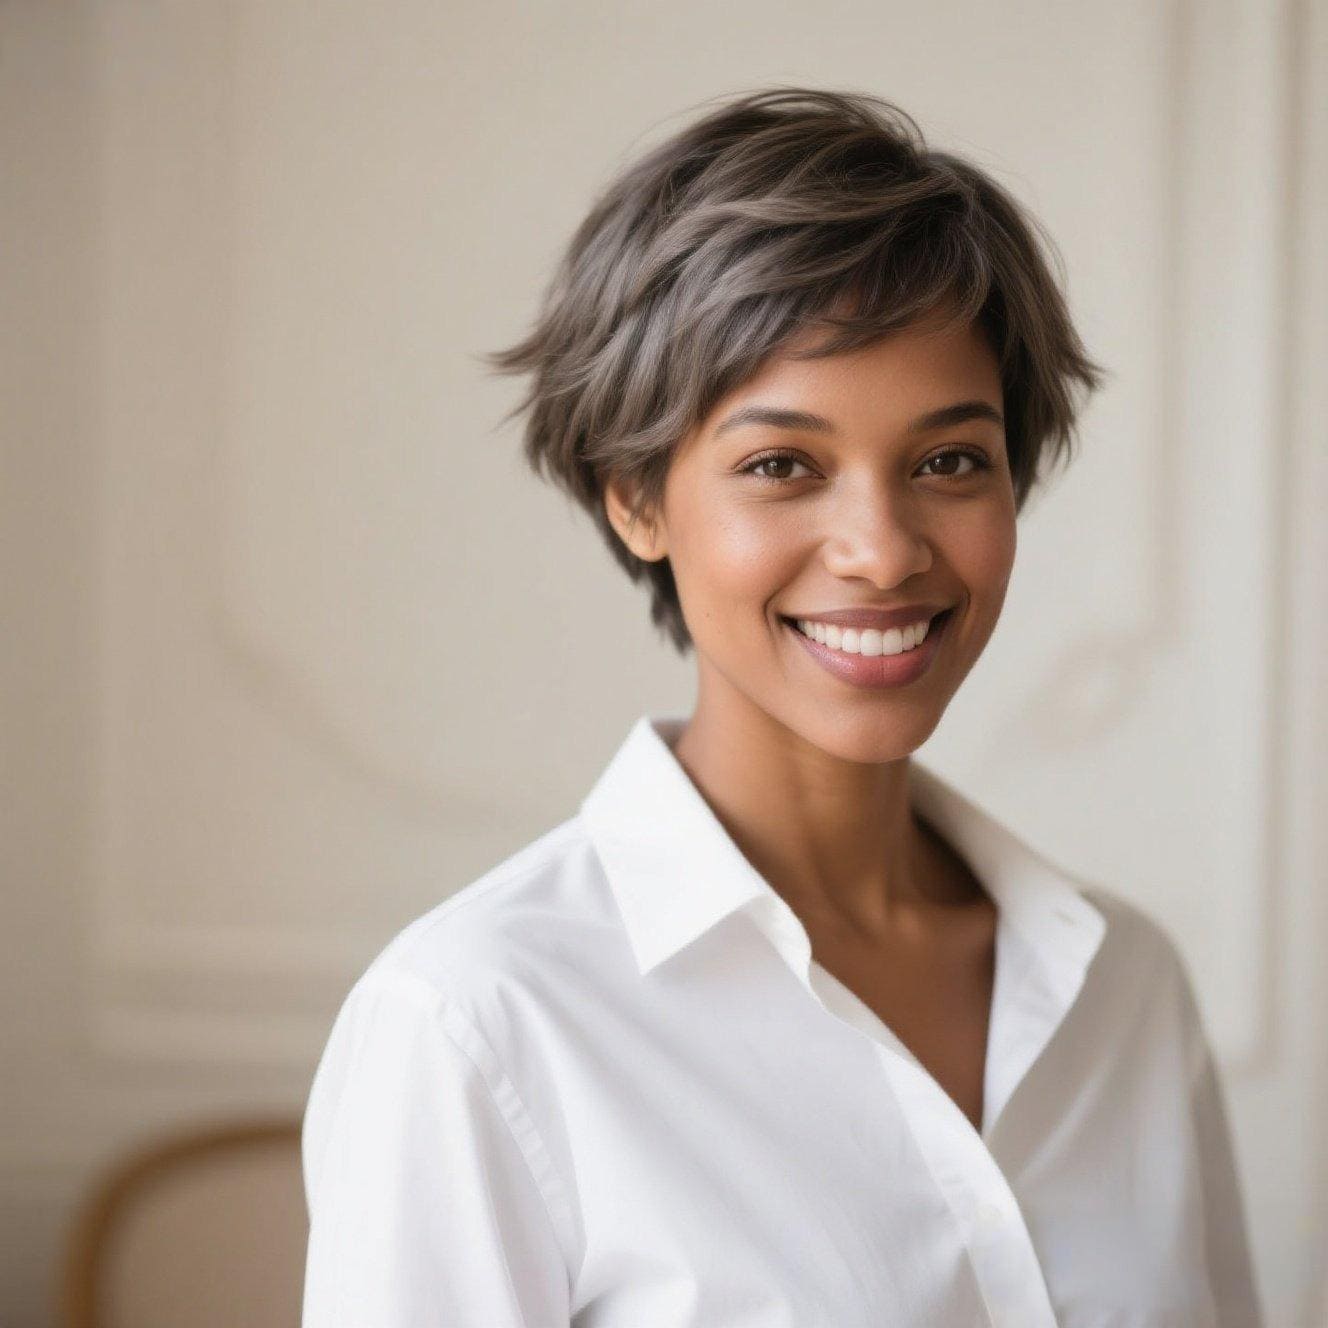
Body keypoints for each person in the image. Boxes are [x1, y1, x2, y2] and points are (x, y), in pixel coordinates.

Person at [300, 87, 1263, 1326]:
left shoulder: (1120, 987)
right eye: (779, 465)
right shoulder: (474, 1022)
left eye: (948, 460)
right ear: (634, 498)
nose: (880, 548)